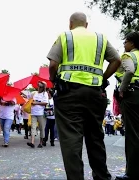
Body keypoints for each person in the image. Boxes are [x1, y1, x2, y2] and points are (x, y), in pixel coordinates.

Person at [47, 12, 121, 180]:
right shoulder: (100, 38)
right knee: (95, 138)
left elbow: (53, 64)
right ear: (86, 24)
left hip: (69, 95)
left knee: (71, 140)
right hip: (95, 94)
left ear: (70, 24)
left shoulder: (65, 36)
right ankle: (102, 177)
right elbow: (116, 60)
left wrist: (53, 80)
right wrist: (102, 79)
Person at [115, 32, 139, 180]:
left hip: (133, 95)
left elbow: (129, 70)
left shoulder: (129, 56)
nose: (124, 45)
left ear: (132, 43)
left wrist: (122, 89)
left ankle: (132, 173)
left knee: (133, 136)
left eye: (125, 42)